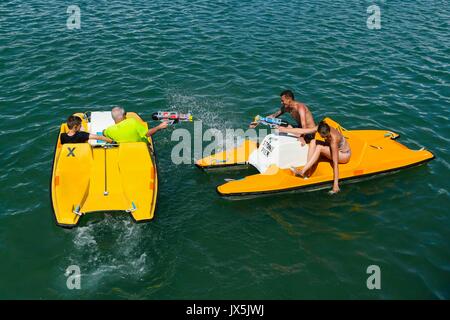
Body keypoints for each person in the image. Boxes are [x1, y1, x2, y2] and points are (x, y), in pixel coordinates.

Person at [277, 120, 351, 194]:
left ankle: (303, 171)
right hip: (332, 148)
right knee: (313, 142)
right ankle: (308, 172)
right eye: (324, 136)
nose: (325, 137)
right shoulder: (322, 127)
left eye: (326, 136)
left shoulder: (333, 140)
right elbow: (304, 131)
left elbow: (335, 163)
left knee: (319, 147)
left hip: (344, 155)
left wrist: (335, 185)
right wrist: (284, 129)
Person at [251, 90, 316, 145]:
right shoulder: (286, 108)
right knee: (281, 124)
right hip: (299, 129)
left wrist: (302, 137)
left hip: (309, 133)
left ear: (289, 99)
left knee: (284, 127)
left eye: (283, 101)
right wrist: (259, 120)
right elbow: (273, 116)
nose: (281, 102)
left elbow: (304, 125)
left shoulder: (300, 107)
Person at [103, 106, 168, 143]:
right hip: (141, 148)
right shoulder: (132, 121)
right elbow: (147, 134)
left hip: (124, 151)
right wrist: (159, 127)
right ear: (124, 115)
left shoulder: (110, 130)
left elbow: (104, 133)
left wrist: (104, 131)